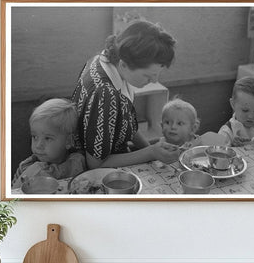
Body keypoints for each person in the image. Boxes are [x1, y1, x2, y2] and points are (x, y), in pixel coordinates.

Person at [71, 20, 180, 169]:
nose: (155, 81)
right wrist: (151, 152)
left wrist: (151, 149)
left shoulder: (103, 59)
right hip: (95, 168)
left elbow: (125, 120)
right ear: (124, 64)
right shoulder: (105, 95)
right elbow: (95, 164)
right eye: (148, 76)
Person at [12, 98, 86, 188]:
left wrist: (38, 169)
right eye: (35, 137)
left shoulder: (77, 162)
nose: (38, 145)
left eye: (47, 138)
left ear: (68, 141)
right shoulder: (25, 167)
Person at [218, 76, 254, 146]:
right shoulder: (227, 132)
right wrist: (233, 147)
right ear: (233, 104)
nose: (251, 116)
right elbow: (219, 154)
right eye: (245, 110)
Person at [160, 97, 230, 151]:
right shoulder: (160, 145)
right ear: (161, 126)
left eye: (179, 123)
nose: (173, 127)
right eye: (167, 122)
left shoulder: (201, 146)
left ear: (193, 128)